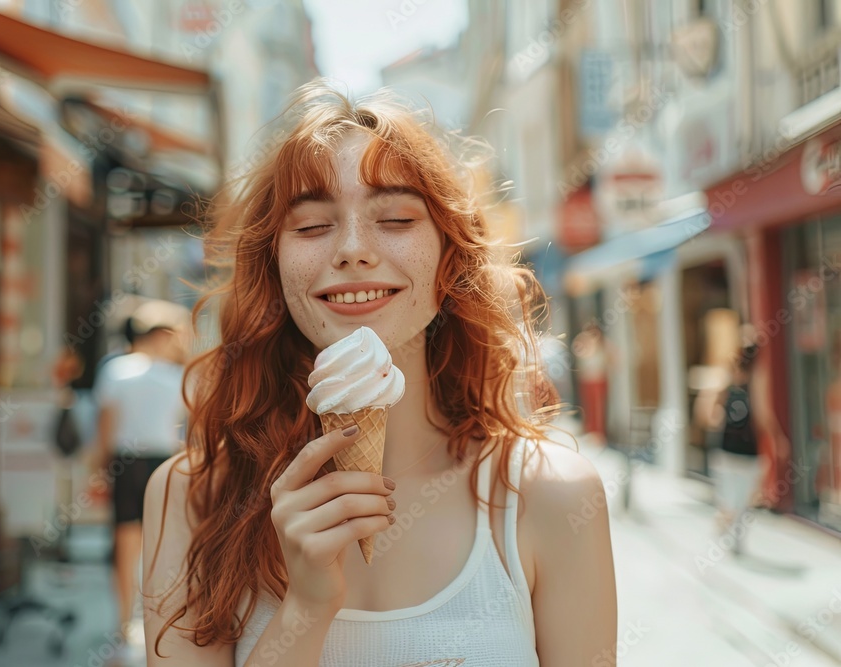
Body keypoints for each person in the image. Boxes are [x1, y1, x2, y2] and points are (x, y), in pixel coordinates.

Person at [142, 82, 617, 666]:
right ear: (273, 267)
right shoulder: (193, 497)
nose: (353, 249)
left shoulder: (550, 495)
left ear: (449, 256)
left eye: (395, 218)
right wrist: (306, 608)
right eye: (312, 226)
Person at [90, 299, 193, 652]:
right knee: (166, 542)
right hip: (166, 462)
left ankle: (123, 623)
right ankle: (161, 620)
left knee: (125, 542)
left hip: (125, 462)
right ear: (163, 335)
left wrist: (99, 470)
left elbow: (105, 428)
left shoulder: (116, 370)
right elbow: (188, 431)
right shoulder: (179, 375)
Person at [696, 343, 782, 555]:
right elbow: (762, 416)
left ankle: (727, 530)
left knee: (729, 500)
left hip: (724, 449)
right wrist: (778, 439)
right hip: (748, 451)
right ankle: (736, 542)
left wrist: (718, 418)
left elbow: (704, 413)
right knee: (743, 500)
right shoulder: (757, 381)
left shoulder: (724, 380)